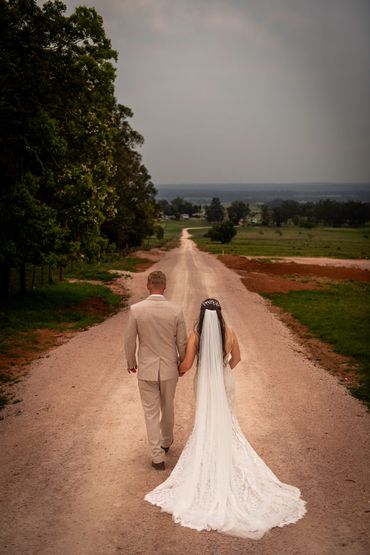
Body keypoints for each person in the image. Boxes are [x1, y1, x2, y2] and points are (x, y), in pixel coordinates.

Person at [145, 298, 306, 539]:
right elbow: (237, 359)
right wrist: (222, 368)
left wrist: (179, 368)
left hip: (206, 383)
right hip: (224, 379)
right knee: (227, 420)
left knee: (206, 421)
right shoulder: (230, 331)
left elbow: (187, 363)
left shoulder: (196, 335)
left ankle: (209, 457)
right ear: (219, 314)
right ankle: (226, 455)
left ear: (201, 314)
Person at [125, 270, 187, 470]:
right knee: (168, 406)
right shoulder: (176, 310)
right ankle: (166, 441)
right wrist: (183, 362)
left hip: (146, 369)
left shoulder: (136, 310)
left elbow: (129, 339)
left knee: (150, 413)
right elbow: (182, 341)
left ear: (148, 286)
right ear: (165, 286)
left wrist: (130, 361)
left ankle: (157, 457)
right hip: (169, 368)